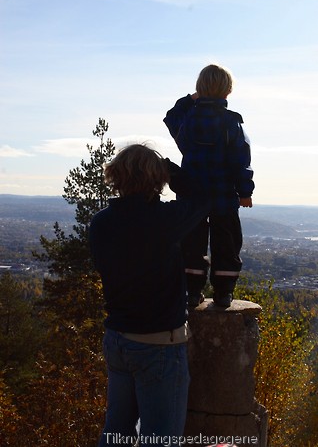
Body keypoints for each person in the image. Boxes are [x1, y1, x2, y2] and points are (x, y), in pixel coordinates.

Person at [89, 144, 210, 447]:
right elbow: (203, 198)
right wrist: (173, 172)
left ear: (116, 177)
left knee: (115, 433)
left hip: (118, 338)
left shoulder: (101, 223)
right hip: (158, 344)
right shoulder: (163, 220)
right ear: (156, 179)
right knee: (161, 438)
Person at [163, 63, 254, 308]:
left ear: (199, 88)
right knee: (227, 243)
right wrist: (245, 192)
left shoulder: (186, 120)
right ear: (228, 91)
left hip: (191, 194)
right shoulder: (231, 122)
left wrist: (192, 98)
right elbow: (241, 159)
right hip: (223, 195)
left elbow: (170, 116)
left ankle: (192, 292)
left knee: (192, 243)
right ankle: (224, 293)